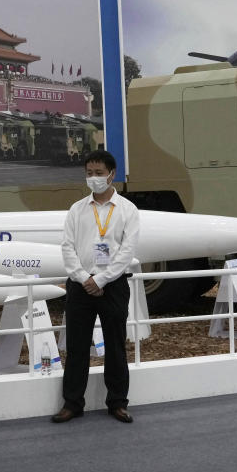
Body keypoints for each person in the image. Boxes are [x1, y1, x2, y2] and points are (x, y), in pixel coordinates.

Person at [52, 149, 141, 425]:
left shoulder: (127, 210)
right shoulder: (77, 209)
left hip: (113, 286)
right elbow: (67, 247)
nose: (94, 178)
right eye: (89, 173)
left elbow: (127, 251)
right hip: (80, 286)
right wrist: (83, 278)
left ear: (112, 174)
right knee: (77, 346)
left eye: (99, 173)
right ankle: (72, 403)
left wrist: (101, 280)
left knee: (116, 346)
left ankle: (117, 402)